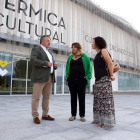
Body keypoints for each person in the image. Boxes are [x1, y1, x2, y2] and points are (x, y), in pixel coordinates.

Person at [30, 35, 58, 124]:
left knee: (46, 97)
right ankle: (35, 116)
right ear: (42, 41)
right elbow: (32, 60)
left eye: (50, 41)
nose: (49, 42)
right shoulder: (37, 49)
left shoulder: (49, 53)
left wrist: (54, 66)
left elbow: (50, 64)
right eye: (48, 41)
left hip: (49, 77)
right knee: (36, 97)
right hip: (40, 77)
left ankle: (45, 114)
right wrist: (46, 63)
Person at [91, 36, 116, 128]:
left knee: (105, 101)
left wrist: (112, 75)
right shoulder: (97, 54)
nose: (92, 44)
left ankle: (107, 123)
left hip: (104, 79)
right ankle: (98, 120)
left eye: (93, 42)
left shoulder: (103, 51)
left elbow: (110, 63)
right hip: (98, 80)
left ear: (98, 43)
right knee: (98, 101)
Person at [66, 42, 92, 122]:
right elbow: (67, 68)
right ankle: (73, 115)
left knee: (81, 98)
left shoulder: (84, 57)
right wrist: (67, 77)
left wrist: (87, 77)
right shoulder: (70, 57)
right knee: (73, 98)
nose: (73, 48)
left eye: (74, 47)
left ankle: (82, 115)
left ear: (78, 48)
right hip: (72, 80)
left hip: (81, 79)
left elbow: (89, 67)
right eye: (72, 47)